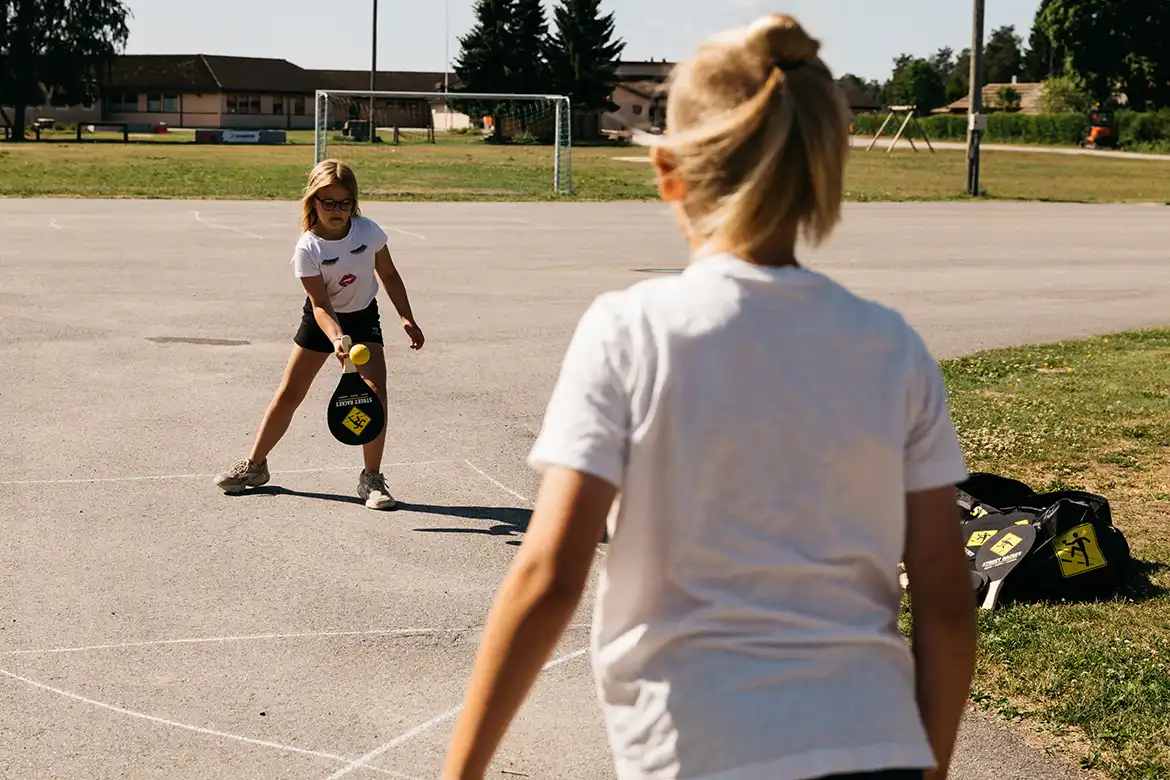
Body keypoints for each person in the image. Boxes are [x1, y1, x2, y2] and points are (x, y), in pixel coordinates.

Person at [440, 13, 976, 780]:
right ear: (823, 168)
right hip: (875, 742)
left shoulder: (631, 331)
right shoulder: (892, 347)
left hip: (699, 750)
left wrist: (460, 771)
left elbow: (549, 575)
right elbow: (947, 597)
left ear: (668, 172)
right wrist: (928, 765)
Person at [215, 159, 424, 509]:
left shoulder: (368, 231)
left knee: (374, 394)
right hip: (322, 321)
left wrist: (406, 317)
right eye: (328, 202)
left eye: (344, 202)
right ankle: (255, 466)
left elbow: (388, 274)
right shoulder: (308, 248)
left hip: (363, 316)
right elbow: (321, 304)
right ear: (313, 202)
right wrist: (336, 338)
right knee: (290, 393)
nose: (337, 210)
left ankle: (372, 479)